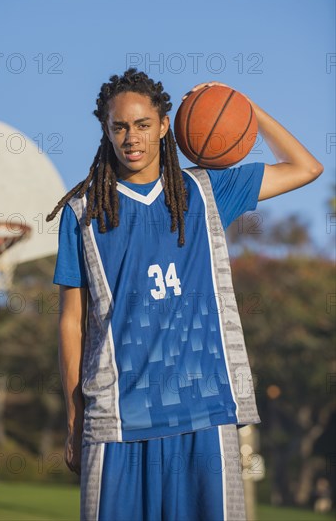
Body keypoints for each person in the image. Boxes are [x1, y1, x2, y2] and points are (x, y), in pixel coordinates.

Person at [47, 68, 323, 521]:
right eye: (119, 126)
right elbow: (70, 321)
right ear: (106, 131)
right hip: (116, 417)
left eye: (141, 124)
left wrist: (242, 107)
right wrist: (75, 415)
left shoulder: (207, 191)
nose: (130, 137)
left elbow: (305, 167)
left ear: (162, 126)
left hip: (205, 410)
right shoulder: (83, 212)